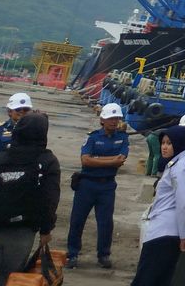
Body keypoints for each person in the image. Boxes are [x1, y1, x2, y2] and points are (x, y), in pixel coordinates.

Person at [0, 113, 60, 286]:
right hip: (22, 231)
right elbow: (49, 199)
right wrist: (46, 229)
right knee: (11, 277)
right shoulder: (47, 161)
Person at [131, 126, 185, 286]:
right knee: (161, 278)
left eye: (169, 143)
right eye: (163, 142)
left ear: (179, 143)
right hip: (170, 231)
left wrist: (184, 235)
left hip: (163, 232)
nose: (164, 146)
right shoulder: (184, 162)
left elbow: (184, 202)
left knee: (146, 278)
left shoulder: (178, 168)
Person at [67, 102, 129, 269]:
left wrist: (97, 160)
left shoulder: (123, 138)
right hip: (86, 184)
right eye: (110, 118)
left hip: (107, 186)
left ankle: (104, 254)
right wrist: (110, 161)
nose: (114, 121)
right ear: (102, 119)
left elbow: (121, 160)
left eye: (116, 118)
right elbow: (85, 160)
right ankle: (72, 254)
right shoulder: (92, 137)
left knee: (106, 223)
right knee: (77, 220)